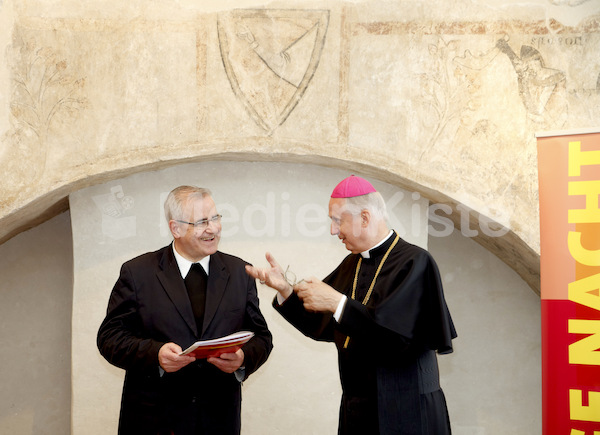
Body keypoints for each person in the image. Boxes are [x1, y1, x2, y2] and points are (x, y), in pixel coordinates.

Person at [246, 175, 456, 435]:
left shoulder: (415, 262)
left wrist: (337, 302)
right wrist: (285, 289)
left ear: (365, 218)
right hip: (358, 409)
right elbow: (321, 324)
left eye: (337, 221)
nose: (333, 230)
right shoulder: (352, 264)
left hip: (408, 407)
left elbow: (398, 338)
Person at [98, 185, 273, 435]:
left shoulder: (239, 272)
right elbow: (109, 339)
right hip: (153, 420)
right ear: (176, 228)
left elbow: (262, 338)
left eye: (215, 218)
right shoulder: (137, 273)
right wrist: (155, 354)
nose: (213, 228)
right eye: (201, 222)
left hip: (218, 421)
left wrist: (243, 358)